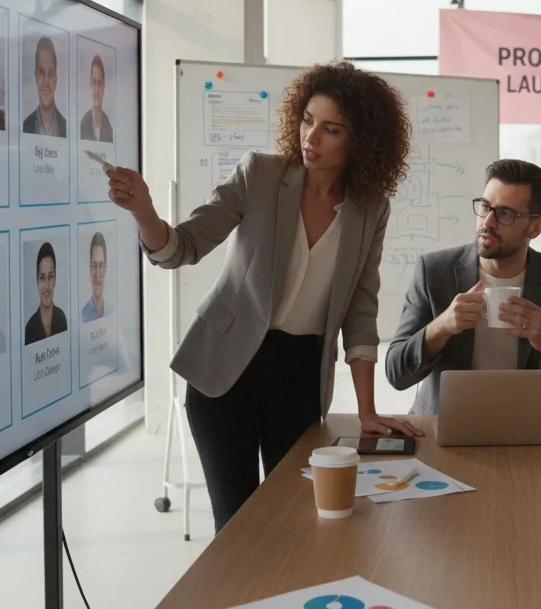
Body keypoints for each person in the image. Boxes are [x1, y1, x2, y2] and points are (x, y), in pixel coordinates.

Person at [105, 61, 420, 533]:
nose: (311, 137)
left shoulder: (371, 208)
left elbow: (360, 308)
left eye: (331, 129)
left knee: (293, 519)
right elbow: (182, 248)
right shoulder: (260, 174)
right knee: (235, 525)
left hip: (301, 374)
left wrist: (367, 410)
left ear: (362, 141)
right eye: (307, 120)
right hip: (225, 371)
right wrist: (144, 211)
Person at [385, 160, 541, 415]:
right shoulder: (434, 272)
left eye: (505, 214)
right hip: (442, 424)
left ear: (536, 228)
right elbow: (396, 374)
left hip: (526, 427)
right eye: (485, 207)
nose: (487, 222)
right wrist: (442, 326)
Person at [22, 36, 66, 138]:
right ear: (36, 77)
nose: (46, 82)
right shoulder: (24, 127)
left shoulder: (67, 129)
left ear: (56, 79)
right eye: (41, 72)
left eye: (50, 73)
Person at [24, 242, 67, 345]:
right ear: (37, 281)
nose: (47, 286)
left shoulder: (62, 318)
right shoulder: (29, 328)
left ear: (55, 279)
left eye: (50, 277)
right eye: (42, 278)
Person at [79, 55, 114, 142]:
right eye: (94, 83)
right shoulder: (82, 125)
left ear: (104, 87)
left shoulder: (109, 128)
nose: (97, 89)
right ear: (90, 85)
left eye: (100, 83)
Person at [80, 232, 110, 323]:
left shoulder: (112, 311)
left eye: (101, 265)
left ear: (105, 269)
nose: (97, 274)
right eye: (94, 266)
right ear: (90, 270)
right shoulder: (82, 315)